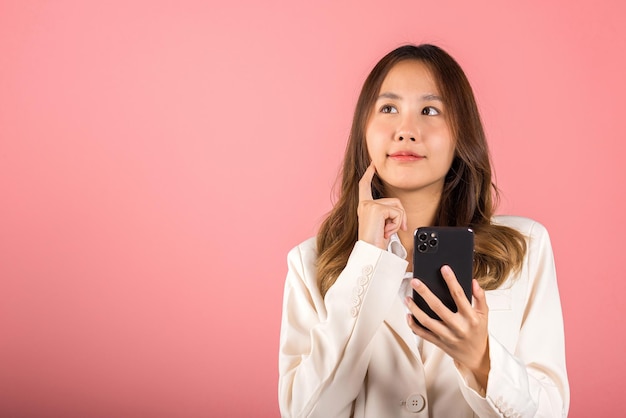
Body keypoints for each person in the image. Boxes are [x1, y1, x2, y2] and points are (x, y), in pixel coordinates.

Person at [278, 44, 569, 417]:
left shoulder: (524, 250)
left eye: (430, 110)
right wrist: (367, 262)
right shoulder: (310, 263)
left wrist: (481, 360)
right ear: (363, 130)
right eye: (388, 109)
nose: (406, 130)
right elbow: (304, 411)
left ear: (461, 133)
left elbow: (550, 412)